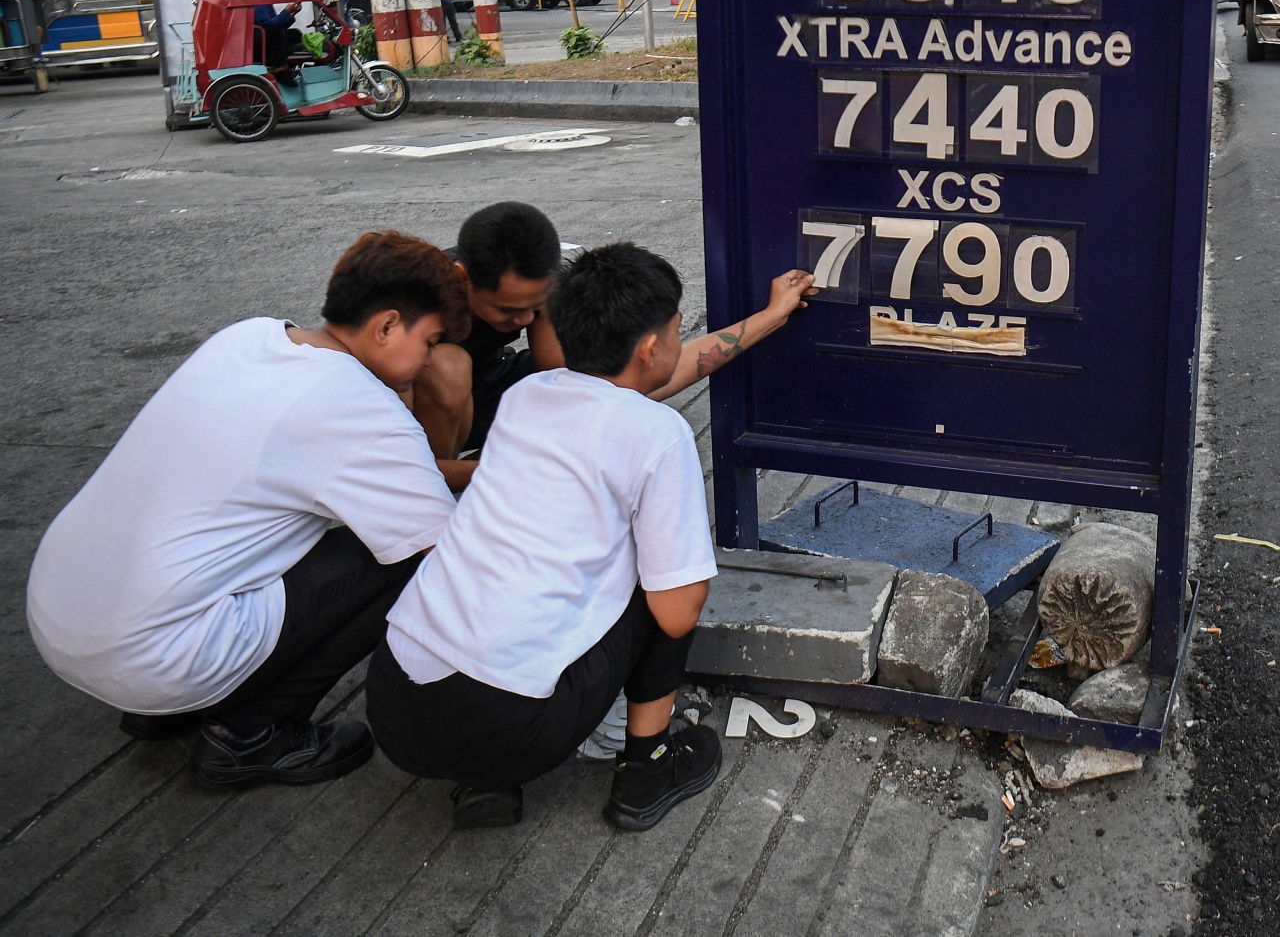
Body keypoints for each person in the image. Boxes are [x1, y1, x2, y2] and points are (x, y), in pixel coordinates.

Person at [26, 232, 468, 789]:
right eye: (429, 342)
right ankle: (253, 733)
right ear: (385, 325)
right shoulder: (362, 408)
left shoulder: (245, 337)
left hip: (59, 618)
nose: (430, 361)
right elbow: (447, 552)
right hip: (157, 656)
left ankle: (168, 709)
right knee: (407, 559)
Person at [367, 244, 720, 832]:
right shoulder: (660, 432)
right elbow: (679, 614)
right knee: (673, 578)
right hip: (507, 726)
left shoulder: (524, 395)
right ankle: (647, 767)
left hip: (394, 703)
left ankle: (485, 781)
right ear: (651, 348)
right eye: (680, 331)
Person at [409, 201, 815, 489]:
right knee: (448, 364)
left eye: (536, 308)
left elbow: (608, 382)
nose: (524, 321)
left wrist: (770, 317)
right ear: (463, 279)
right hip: (416, 426)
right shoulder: (408, 308)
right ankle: (440, 491)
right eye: (509, 311)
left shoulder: (540, 292)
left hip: (489, 391)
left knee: (607, 380)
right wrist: (504, 472)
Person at [251, 0, 307, 67]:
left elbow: (277, 24)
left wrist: (291, 14)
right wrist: (286, 11)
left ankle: (290, 61)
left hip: (267, 36)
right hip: (256, 41)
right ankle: (279, 67)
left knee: (295, 33)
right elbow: (268, 26)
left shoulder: (267, 3)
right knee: (276, 33)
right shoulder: (255, 2)